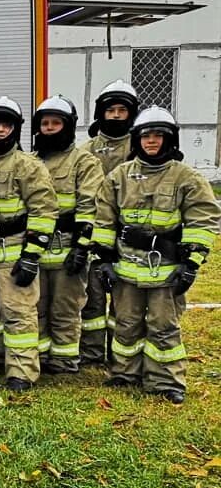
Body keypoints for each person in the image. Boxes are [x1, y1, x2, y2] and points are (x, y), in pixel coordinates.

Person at [93, 107, 220, 404]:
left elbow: (202, 221)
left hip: (166, 269)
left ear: (170, 139)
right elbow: (104, 219)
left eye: (158, 136)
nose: (152, 141)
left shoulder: (186, 177)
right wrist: (104, 260)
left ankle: (165, 381)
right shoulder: (119, 176)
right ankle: (124, 373)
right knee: (125, 324)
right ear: (137, 139)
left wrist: (191, 264)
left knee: (164, 327)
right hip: (126, 268)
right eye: (146, 136)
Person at [0, 97, 58, 392]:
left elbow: (44, 211)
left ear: (16, 129)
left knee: (18, 310)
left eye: (6, 124)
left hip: (14, 249)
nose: (0, 129)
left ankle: (21, 370)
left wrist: (32, 255)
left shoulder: (28, 166)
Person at [31, 96, 104, 374]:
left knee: (65, 307)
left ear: (68, 126)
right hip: (36, 246)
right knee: (36, 306)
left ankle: (63, 359)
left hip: (66, 246)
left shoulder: (84, 162)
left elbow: (90, 206)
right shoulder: (30, 161)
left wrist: (82, 247)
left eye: (56, 123)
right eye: (45, 123)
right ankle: (39, 355)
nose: (49, 128)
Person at [80, 79, 139, 366]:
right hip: (93, 230)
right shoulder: (86, 149)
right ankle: (91, 354)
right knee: (91, 294)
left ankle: (119, 354)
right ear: (100, 113)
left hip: (128, 234)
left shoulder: (141, 145)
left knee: (122, 297)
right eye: (110, 110)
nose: (115, 115)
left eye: (122, 110)